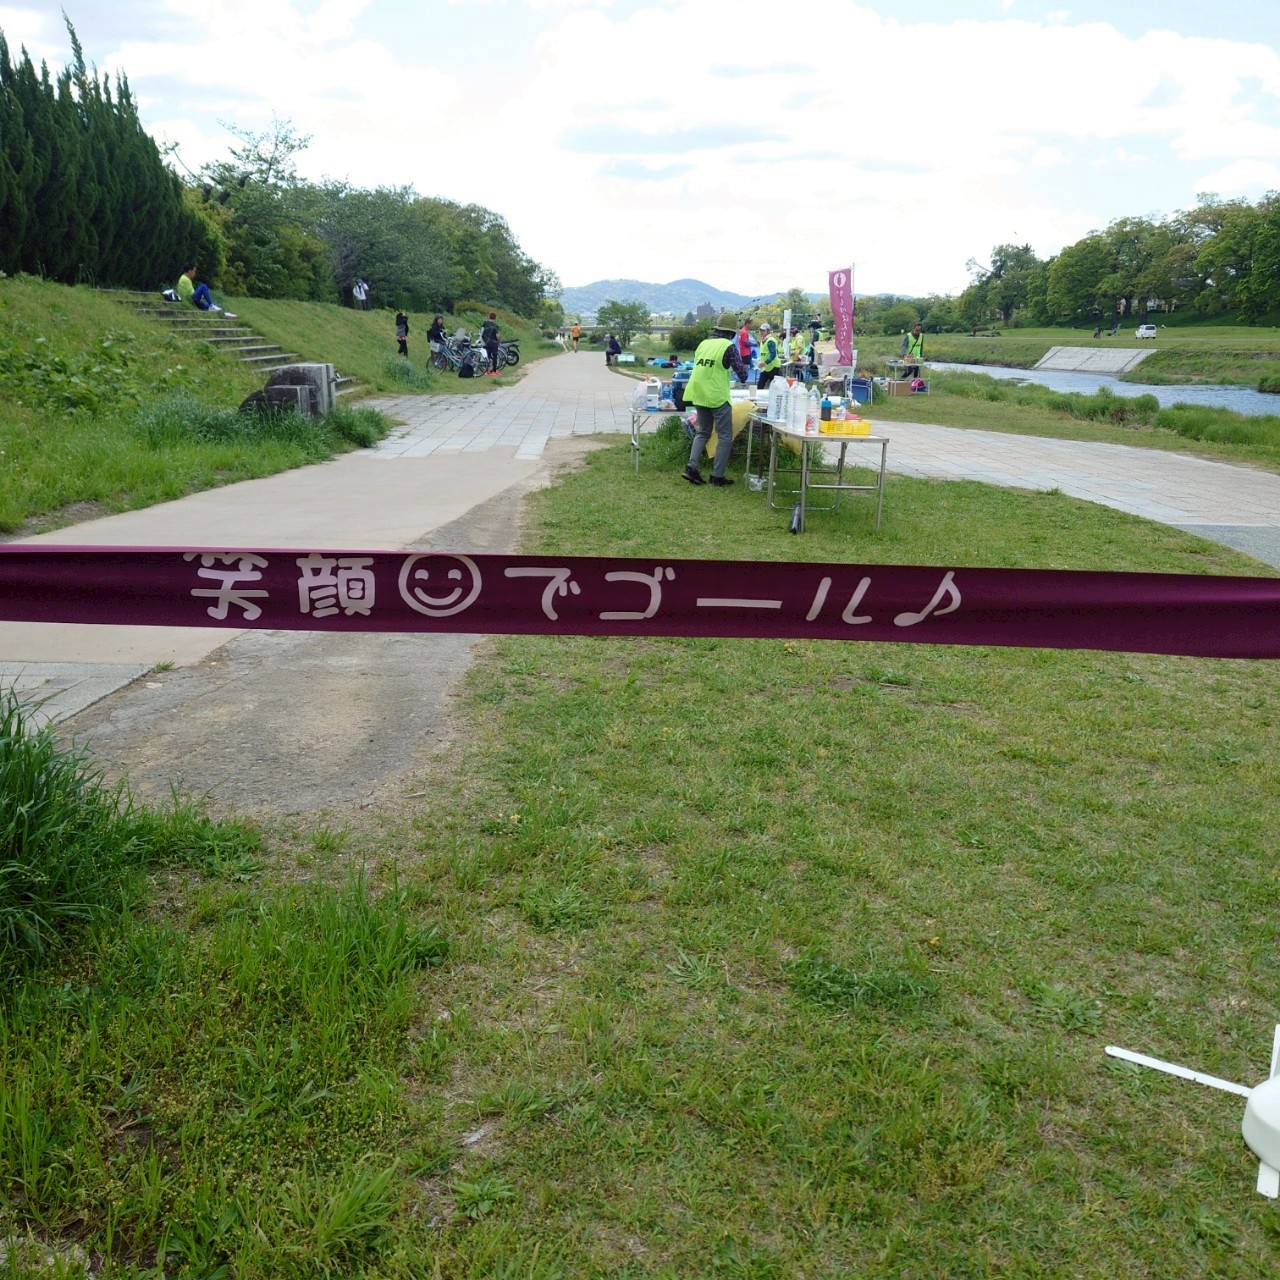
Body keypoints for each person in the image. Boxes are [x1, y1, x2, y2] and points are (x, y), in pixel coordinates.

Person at [682, 312, 748, 488]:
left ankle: (691, 468)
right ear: (731, 332)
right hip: (717, 397)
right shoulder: (728, 346)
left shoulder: (703, 344)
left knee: (703, 432)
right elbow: (742, 374)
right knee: (725, 436)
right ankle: (717, 476)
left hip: (699, 394)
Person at [756, 321, 782, 391]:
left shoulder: (770, 341)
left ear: (768, 331)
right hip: (766, 367)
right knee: (760, 386)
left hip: (773, 367)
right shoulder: (763, 340)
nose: (761, 332)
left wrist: (765, 362)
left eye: (763, 330)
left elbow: (773, 354)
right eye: (760, 330)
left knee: (775, 388)